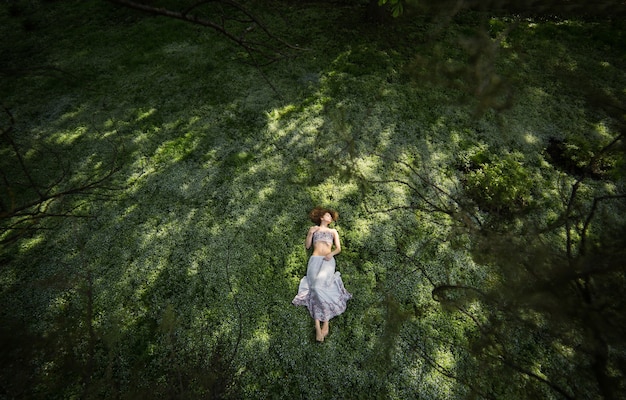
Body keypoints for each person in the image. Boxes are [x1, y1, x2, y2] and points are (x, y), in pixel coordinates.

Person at [292, 207, 352, 342]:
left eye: (331, 217)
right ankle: (321, 326)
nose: (330, 218)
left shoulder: (333, 231)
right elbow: (307, 246)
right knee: (314, 288)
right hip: (314, 260)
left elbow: (339, 248)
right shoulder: (314, 229)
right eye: (327, 215)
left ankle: (322, 324)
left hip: (328, 260)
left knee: (319, 287)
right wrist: (309, 234)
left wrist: (332, 253)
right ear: (321, 217)